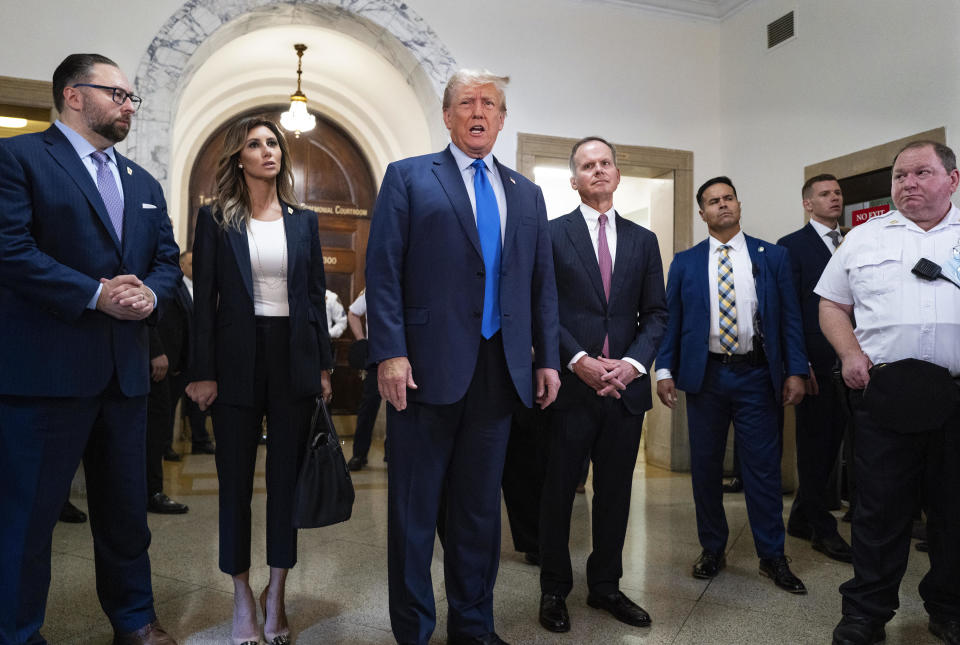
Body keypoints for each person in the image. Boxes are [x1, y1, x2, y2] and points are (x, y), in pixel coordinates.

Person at [365, 69, 561, 645]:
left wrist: (547, 358)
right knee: (414, 515)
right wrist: (391, 352)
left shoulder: (527, 193)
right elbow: (383, 272)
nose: (479, 112)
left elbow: (540, 283)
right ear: (448, 115)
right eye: (468, 102)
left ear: (502, 119)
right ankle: (414, 632)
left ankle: (474, 628)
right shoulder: (407, 178)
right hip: (422, 373)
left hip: (499, 375)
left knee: (478, 516)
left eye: (491, 104)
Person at [0, 53, 181, 645]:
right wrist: (93, 294)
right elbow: (12, 251)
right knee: (27, 522)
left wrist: (149, 298)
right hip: (45, 377)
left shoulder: (143, 183)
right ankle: (18, 631)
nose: (129, 105)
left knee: (127, 516)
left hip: (124, 378)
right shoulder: (20, 158)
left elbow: (164, 263)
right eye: (118, 95)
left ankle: (134, 620)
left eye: (132, 98)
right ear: (73, 95)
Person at [186, 116, 334, 645]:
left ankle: (278, 594)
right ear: (239, 157)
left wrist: (321, 366)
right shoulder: (215, 220)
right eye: (256, 144)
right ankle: (242, 595)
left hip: (291, 358)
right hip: (234, 361)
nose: (267, 151)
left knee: (285, 486)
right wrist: (201, 372)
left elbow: (314, 297)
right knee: (235, 484)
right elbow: (204, 303)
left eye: (273, 143)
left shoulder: (304, 221)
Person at [818, 141, 960, 645]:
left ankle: (949, 608)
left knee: (954, 511)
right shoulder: (863, 238)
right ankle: (866, 613)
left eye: (921, 172)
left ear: (952, 180)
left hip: (956, 400)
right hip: (885, 397)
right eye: (900, 176)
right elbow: (832, 305)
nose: (907, 183)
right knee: (878, 511)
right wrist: (851, 355)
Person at [537, 137, 667, 633]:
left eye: (605, 163)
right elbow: (542, 308)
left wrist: (633, 365)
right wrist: (578, 360)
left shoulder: (643, 240)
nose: (597, 171)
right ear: (573, 179)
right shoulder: (551, 236)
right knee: (558, 493)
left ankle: (606, 586)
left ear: (617, 172)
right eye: (587, 165)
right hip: (570, 390)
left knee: (615, 493)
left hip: (624, 390)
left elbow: (656, 313)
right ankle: (554, 589)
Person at [656, 176, 808, 594]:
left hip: (758, 377)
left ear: (739, 205)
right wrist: (664, 370)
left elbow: (790, 319)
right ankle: (712, 548)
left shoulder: (773, 257)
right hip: (705, 378)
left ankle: (773, 556)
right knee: (705, 468)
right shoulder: (685, 262)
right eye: (712, 201)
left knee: (762, 470)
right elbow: (672, 321)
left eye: (728, 199)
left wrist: (795, 370)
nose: (722, 206)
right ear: (701, 213)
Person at [776, 174, 852, 563]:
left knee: (837, 441)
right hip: (814, 364)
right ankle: (823, 527)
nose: (834, 198)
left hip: (854, 361)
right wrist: (798, 363)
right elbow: (786, 310)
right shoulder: (792, 247)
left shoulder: (855, 240)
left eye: (837, 192)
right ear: (808, 203)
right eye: (824, 194)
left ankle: (802, 517)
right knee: (814, 445)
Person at [345, 290, 381, 471]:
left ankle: (393, 453)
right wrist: (362, 341)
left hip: (405, 354)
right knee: (368, 406)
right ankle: (359, 453)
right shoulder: (371, 289)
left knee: (403, 407)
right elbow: (353, 313)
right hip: (376, 355)